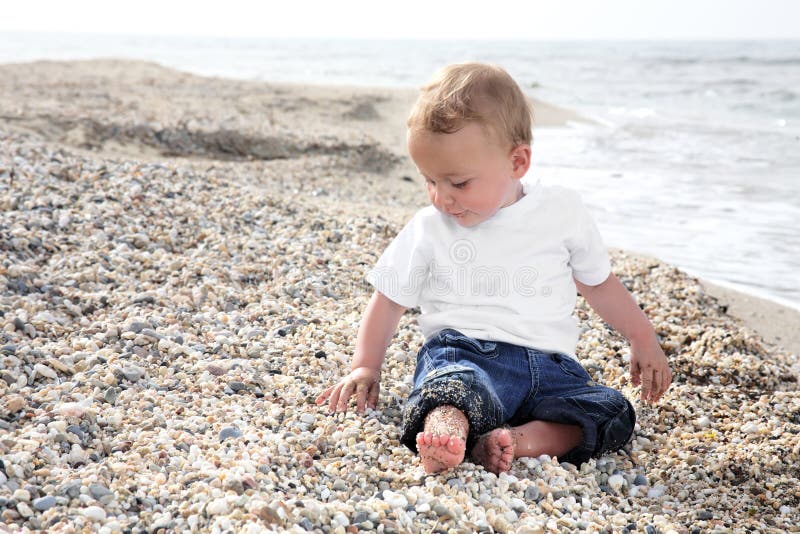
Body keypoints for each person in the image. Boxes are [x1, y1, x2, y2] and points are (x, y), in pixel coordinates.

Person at [316, 63, 672, 474]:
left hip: (552, 367)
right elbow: (389, 299)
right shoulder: (430, 228)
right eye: (430, 181)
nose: (441, 198)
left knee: (611, 412)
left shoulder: (561, 211)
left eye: (458, 183)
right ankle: (449, 427)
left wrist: (642, 338)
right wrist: (365, 365)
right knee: (453, 385)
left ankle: (517, 441)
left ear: (517, 161)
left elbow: (600, 285)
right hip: (469, 352)